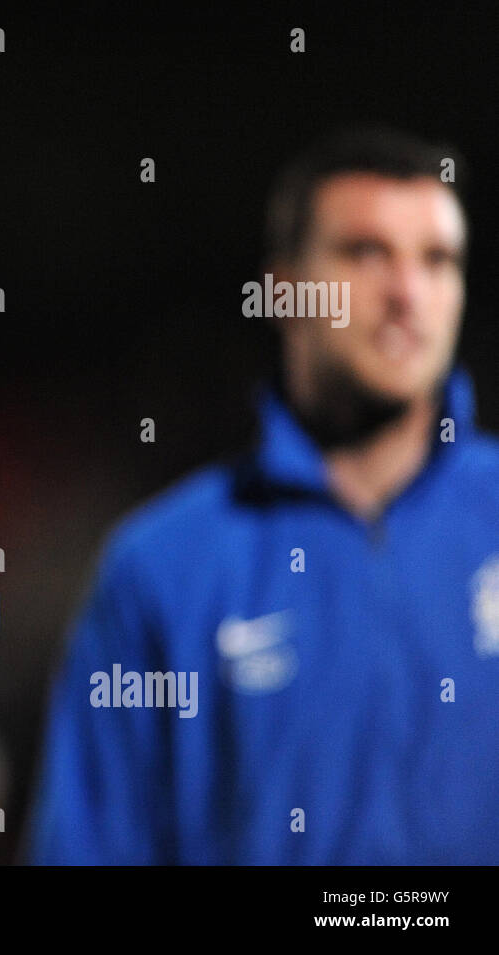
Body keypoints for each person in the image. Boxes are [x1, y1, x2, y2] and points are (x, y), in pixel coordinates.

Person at [25, 127, 499, 864]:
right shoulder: (162, 566)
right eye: (366, 253)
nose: (408, 294)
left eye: (437, 260)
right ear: (283, 289)